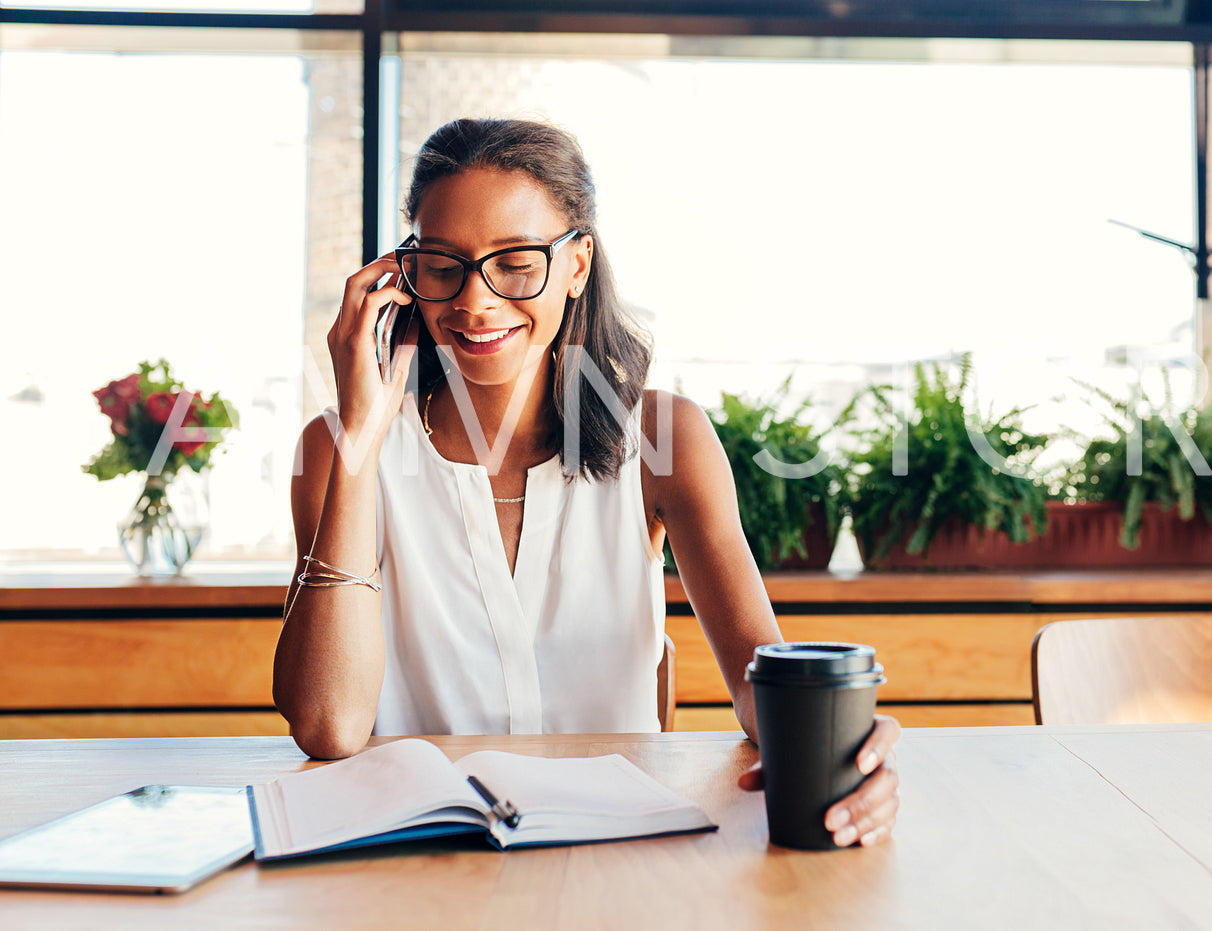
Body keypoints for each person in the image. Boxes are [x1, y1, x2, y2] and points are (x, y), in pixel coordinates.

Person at [273, 118, 900, 848]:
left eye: (514, 262)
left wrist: (845, 741)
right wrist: (362, 438)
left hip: (616, 858)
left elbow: (760, 687)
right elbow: (329, 723)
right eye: (443, 263)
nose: (473, 302)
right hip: (416, 862)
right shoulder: (336, 445)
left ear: (576, 265)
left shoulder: (665, 439)